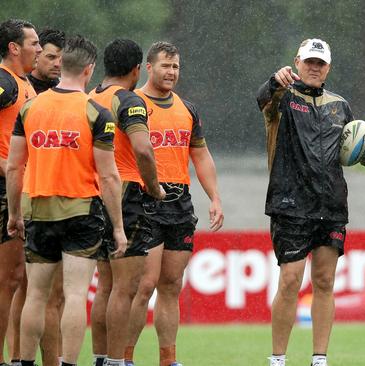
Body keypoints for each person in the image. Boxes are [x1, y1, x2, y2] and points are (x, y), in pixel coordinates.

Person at [256, 38, 365, 366]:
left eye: (320, 63)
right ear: (297, 62)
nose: (314, 68)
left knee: (324, 281)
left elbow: (356, 154)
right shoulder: (283, 98)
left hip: (331, 205)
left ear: (328, 67)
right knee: (290, 280)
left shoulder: (340, 105)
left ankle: (320, 359)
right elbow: (262, 98)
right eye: (309, 62)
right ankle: (278, 359)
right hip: (290, 203)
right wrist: (275, 80)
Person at [5, 35, 127, 366]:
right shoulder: (96, 113)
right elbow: (109, 176)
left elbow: (15, 166)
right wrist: (118, 227)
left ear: (61, 66)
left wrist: (14, 213)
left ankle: (24, 362)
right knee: (74, 295)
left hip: (38, 208)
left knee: (36, 294)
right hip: (81, 209)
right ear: (89, 70)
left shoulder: (31, 108)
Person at [123, 41, 224, 366]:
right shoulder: (131, 103)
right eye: (165, 66)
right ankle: (124, 358)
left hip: (179, 201)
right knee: (145, 284)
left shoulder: (188, 109)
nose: (171, 72)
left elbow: (201, 156)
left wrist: (215, 198)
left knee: (171, 284)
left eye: (176, 67)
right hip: (143, 199)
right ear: (148, 67)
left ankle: (168, 359)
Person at [89, 38, 165, 366]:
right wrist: (155, 187)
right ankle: (118, 361)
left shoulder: (89, 98)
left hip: (92, 194)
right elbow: (144, 150)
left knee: (105, 286)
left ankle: (101, 357)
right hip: (126, 193)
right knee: (125, 288)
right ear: (137, 70)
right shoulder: (128, 100)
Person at [6, 26, 65, 366]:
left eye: (61, 57)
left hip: (55, 196)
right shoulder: (21, 90)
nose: (57, 63)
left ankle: (49, 360)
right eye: (50, 55)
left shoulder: (62, 93)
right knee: (24, 286)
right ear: (35, 54)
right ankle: (18, 357)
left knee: (49, 293)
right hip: (29, 195)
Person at [0, 18, 39, 366]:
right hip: (5, 188)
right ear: (14, 47)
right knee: (8, 279)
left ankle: (17, 358)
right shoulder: (4, 83)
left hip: (22, 189)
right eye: (33, 43)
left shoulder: (25, 84)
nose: (39, 50)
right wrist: (5, 165)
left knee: (22, 279)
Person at [27, 28, 64, 93]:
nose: (57, 64)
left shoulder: (65, 90)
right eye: (51, 57)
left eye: (61, 59)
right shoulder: (15, 85)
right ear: (37, 54)